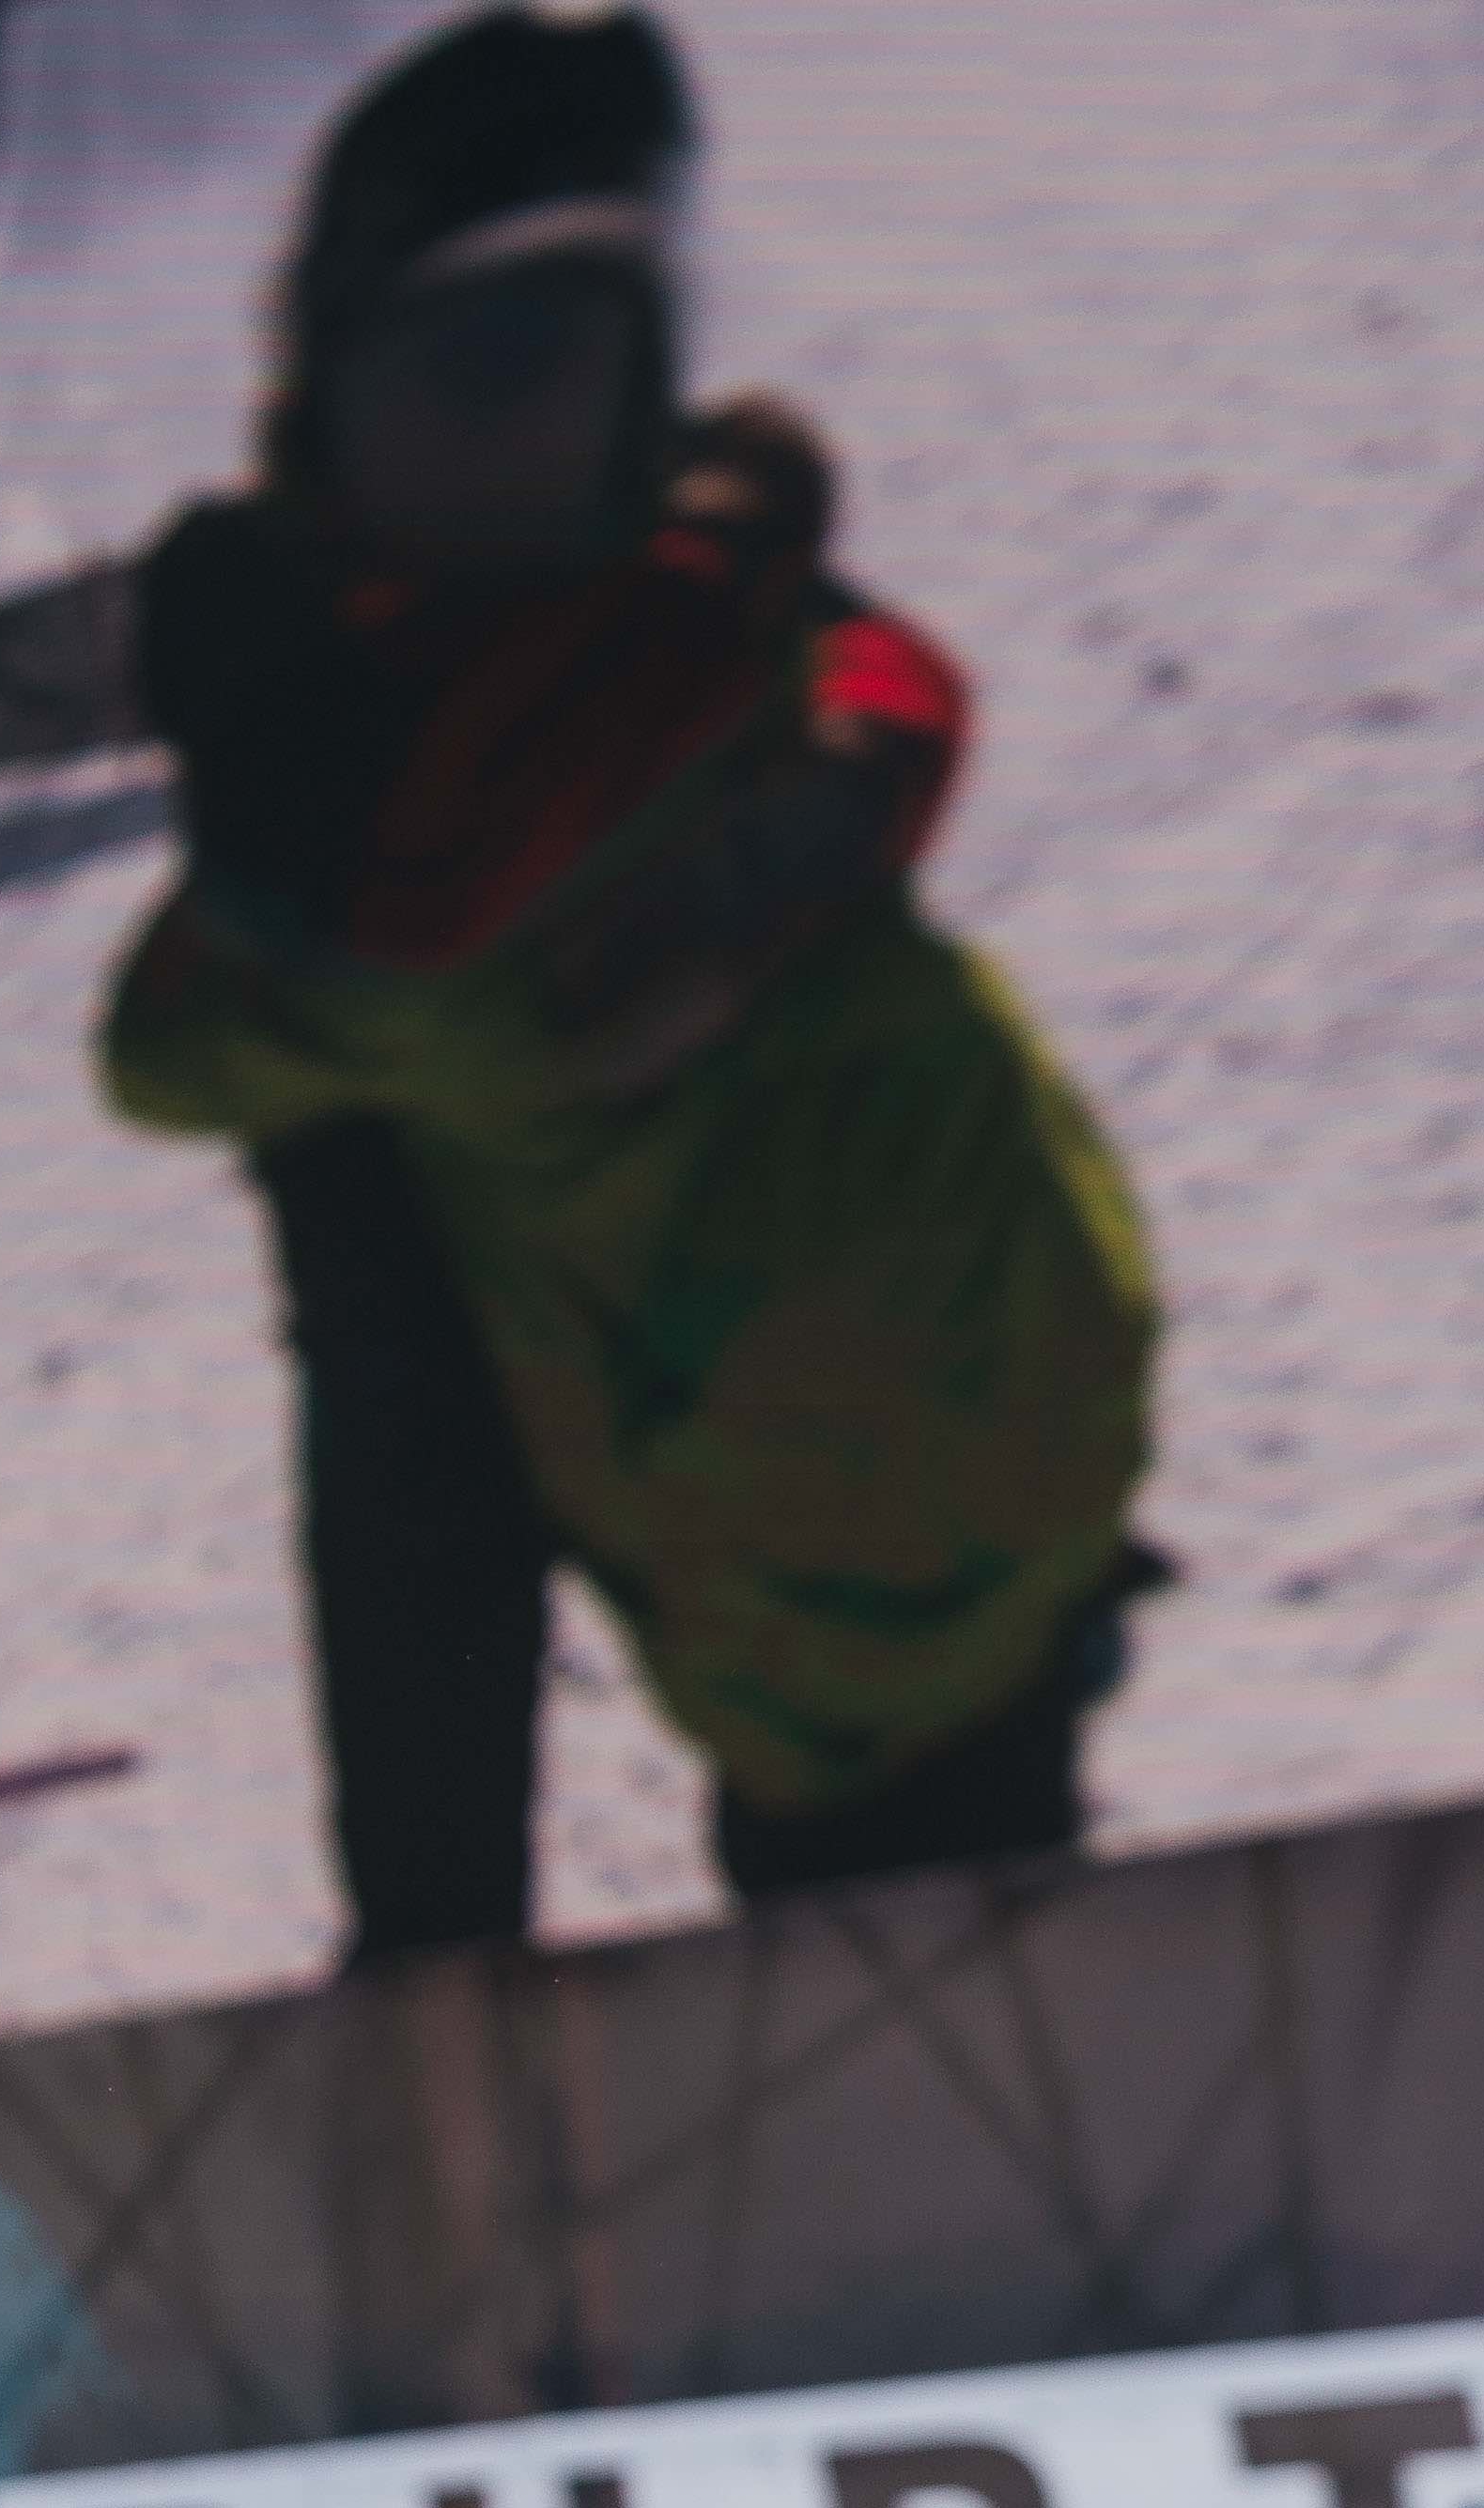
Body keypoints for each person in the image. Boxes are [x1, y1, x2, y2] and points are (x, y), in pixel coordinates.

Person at [95, 5, 1158, 1954]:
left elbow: (877, 665)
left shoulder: (611, 675)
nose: (553, 418)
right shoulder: (445, 841)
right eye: (484, 348)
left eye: (600, 346)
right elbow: (412, 1472)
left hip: (893, 1605)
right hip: (901, 1605)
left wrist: (824, 794)